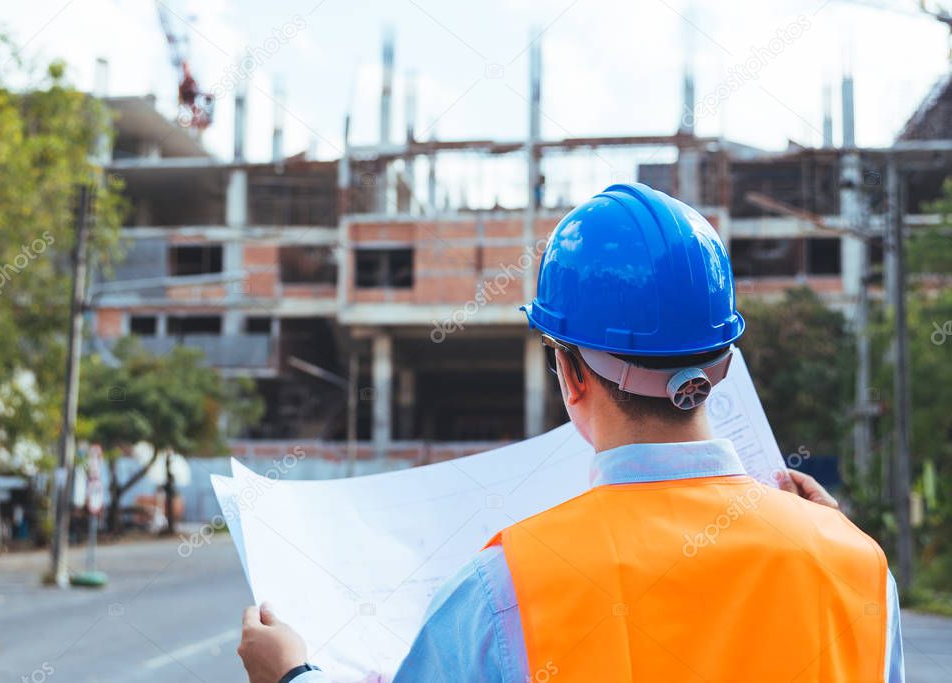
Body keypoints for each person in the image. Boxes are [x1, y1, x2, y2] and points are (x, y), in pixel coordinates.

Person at [237, 183, 903, 682]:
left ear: (568, 370)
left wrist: (292, 675)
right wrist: (829, 544)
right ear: (724, 361)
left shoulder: (506, 586)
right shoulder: (859, 569)